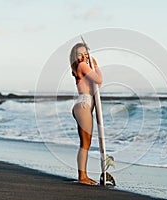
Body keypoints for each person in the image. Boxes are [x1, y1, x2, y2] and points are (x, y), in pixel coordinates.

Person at [70, 43, 102, 185]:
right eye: (80, 54)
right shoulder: (83, 65)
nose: (83, 56)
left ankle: (83, 175)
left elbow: (97, 86)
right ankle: (82, 177)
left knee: (85, 143)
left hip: (83, 105)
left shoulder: (81, 67)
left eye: (85, 53)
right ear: (75, 57)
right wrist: (95, 65)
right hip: (84, 105)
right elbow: (99, 80)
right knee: (85, 144)